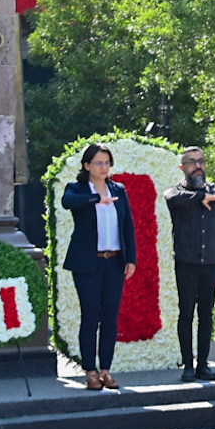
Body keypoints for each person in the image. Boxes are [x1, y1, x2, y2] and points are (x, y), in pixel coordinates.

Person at [60, 144, 137, 390]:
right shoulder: (77, 188)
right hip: (87, 263)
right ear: (87, 165)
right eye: (98, 163)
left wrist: (131, 259)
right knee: (90, 316)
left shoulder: (118, 189)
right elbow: (67, 202)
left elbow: (128, 226)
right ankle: (90, 372)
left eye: (107, 163)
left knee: (110, 318)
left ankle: (105, 370)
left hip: (114, 261)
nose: (103, 167)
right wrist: (96, 199)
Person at [165, 147, 215, 384]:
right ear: (182, 167)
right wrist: (200, 198)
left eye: (201, 161)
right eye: (192, 162)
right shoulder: (177, 192)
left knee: (206, 314)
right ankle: (188, 365)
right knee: (186, 313)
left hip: (211, 263)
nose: (198, 166)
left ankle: (203, 364)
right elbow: (172, 199)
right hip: (187, 262)